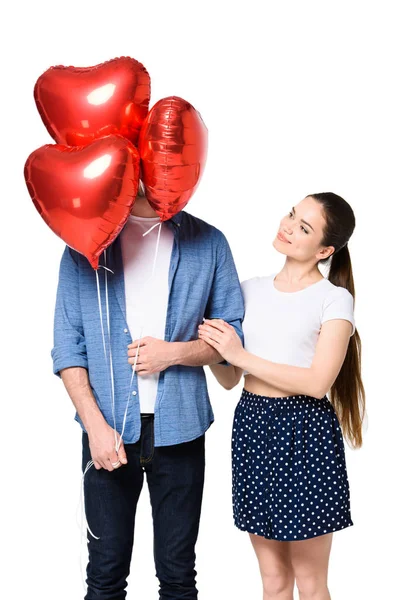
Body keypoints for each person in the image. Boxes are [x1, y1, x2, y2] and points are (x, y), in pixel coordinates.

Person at [51, 181, 244, 600]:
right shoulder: (85, 244)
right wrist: (95, 427)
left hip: (182, 429)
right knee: (104, 574)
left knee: (177, 576)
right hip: (106, 433)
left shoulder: (208, 242)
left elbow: (233, 335)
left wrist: (172, 354)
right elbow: (68, 346)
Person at [198, 192, 365, 600]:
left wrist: (239, 353)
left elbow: (316, 382)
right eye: (292, 214)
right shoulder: (248, 289)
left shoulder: (334, 299)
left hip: (306, 432)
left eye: (304, 228)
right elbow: (230, 379)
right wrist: (212, 349)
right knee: (272, 580)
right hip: (253, 427)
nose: (288, 226)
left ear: (325, 249)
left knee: (310, 582)